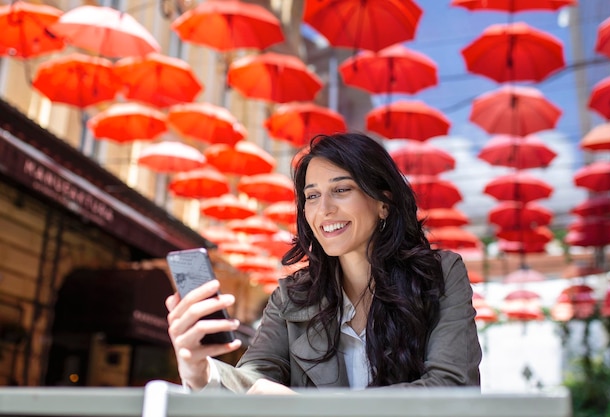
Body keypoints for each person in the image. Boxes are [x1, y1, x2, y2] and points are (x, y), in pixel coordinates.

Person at [166, 132, 482, 394]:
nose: (324, 209)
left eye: (341, 190)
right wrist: (200, 371)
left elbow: (449, 386)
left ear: (383, 203)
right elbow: (255, 376)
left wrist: (313, 411)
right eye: (312, 196)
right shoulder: (292, 295)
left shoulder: (441, 274)